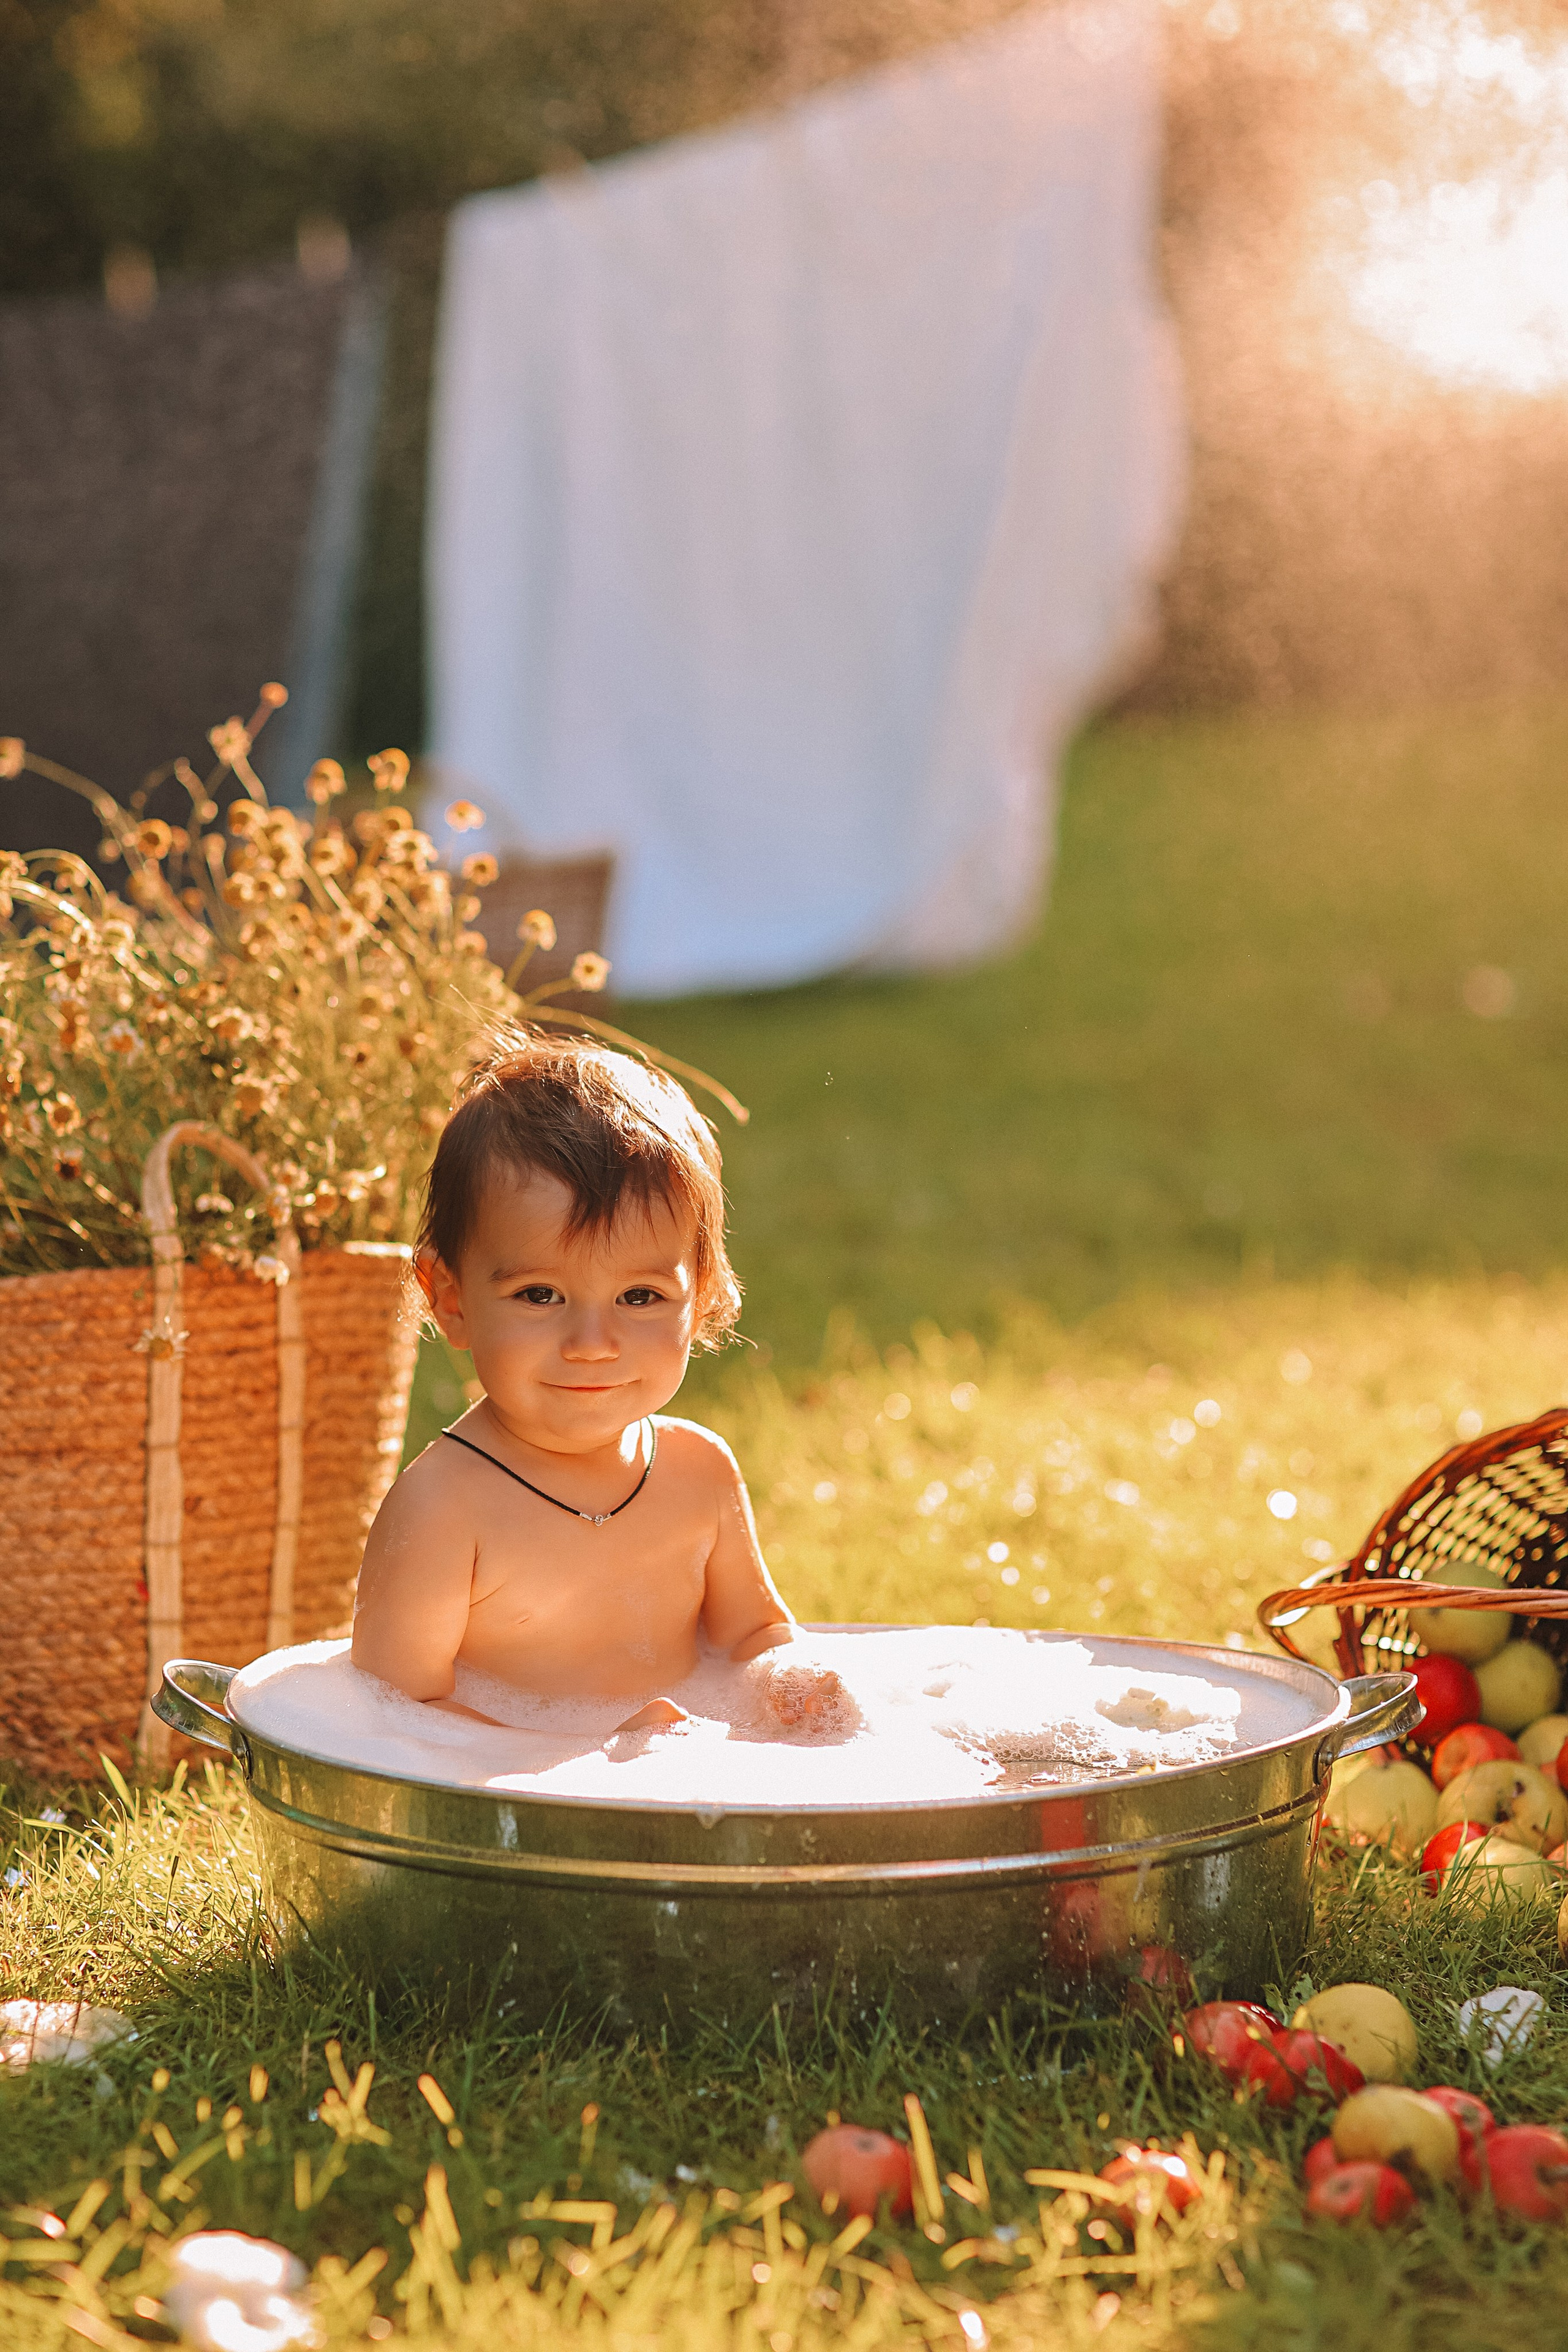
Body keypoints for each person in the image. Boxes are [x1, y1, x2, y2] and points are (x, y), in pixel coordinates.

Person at [352, 1027, 850, 1743]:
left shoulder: (698, 1470)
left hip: (684, 1791)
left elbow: (754, 1632)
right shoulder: (443, 1509)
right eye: (540, 1296)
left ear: (700, 1295)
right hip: (512, 1816)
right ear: (451, 1298)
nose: (592, 1346)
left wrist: (787, 1681)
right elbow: (390, 1717)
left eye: (639, 1297)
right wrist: (587, 1752)